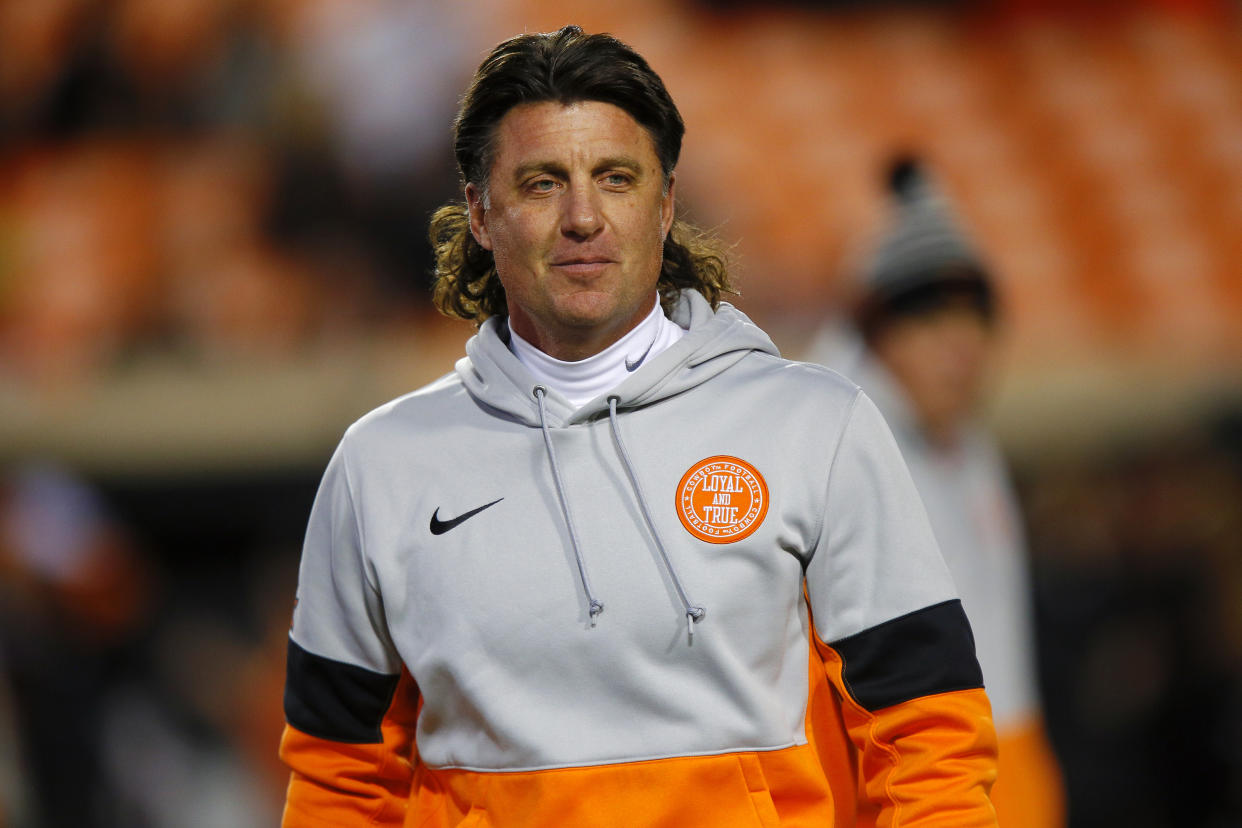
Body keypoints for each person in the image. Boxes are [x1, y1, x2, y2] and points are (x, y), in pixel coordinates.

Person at [279, 26, 999, 827]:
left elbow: (930, 736)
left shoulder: (814, 429)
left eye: (615, 178)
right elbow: (340, 779)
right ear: (480, 214)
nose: (583, 216)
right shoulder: (380, 469)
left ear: (665, 208)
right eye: (542, 183)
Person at [807, 157, 1066, 828]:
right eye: (928, 322)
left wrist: (926, 210)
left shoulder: (966, 443)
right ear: (876, 335)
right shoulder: (845, 440)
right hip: (911, 785)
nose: (960, 347)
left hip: (1010, 765)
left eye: (973, 322)